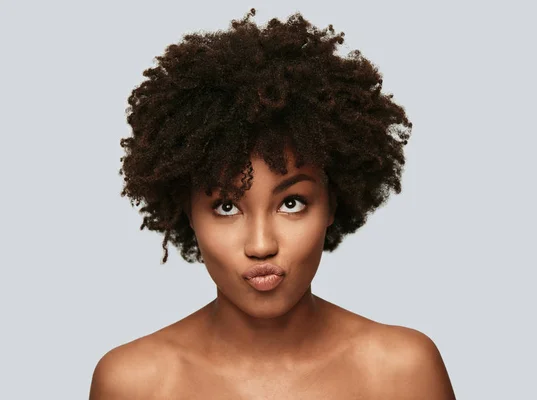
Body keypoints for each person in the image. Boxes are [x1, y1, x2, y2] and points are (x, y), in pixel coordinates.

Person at [90, 8, 456, 399]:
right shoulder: (135, 383)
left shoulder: (402, 373)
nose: (261, 245)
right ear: (187, 212)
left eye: (293, 203)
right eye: (226, 207)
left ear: (332, 204)